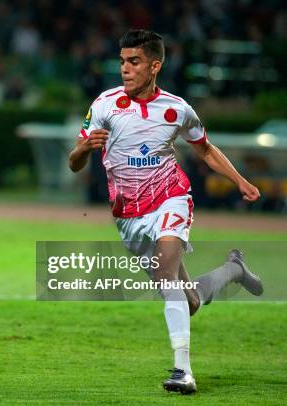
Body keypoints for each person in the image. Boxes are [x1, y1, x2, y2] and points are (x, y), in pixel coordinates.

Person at [68, 29, 263, 394]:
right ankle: (233, 269)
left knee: (166, 273)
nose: (125, 68)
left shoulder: (177, 109)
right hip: (128, 216)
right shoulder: (105, 105)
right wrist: (83, 150)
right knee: (186, 300)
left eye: (134, 62)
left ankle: (183, 371)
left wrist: (239, 180)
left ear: (154, 66)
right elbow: (74, 162)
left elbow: (204, 148)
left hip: (171, 198)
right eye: (123, 61)